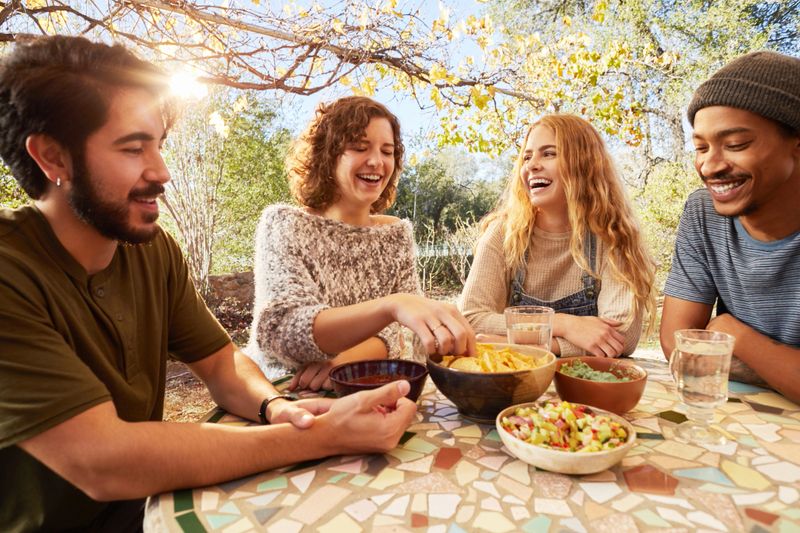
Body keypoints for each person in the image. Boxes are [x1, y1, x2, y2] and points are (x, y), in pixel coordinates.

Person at [0, 36, 418, 532]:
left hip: (150, 505)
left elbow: (221, 363)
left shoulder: (152, 251)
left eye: (158, 145)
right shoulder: (10, 269)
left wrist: (277, 407)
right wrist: (322, 435)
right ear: (53, 158)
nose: (162, 171)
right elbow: (102, 461)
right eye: (133, 148)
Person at [245, 96, 476, 390]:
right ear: (327, 155)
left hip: (372, 387)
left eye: (387, 151)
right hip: (285, 395)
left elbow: (408, 338)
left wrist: (351, 359)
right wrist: (391, 307)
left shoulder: (395, 234)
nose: (377, 162)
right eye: (359, 147)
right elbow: (282, 332)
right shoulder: (284, 225)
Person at [660, 51, 800, 404]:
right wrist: (782, 370)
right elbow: (678, 346)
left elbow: (705, 346)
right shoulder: (703, 213)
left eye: (735, 145)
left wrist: (731, 333)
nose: (710, 165)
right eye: (701, 147)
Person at [460, 114, 656, 358]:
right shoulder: (503, 232)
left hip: (586, 385)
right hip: (517, 381)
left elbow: (620, 337)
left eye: (549, 153)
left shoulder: (615, 237)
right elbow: (471, 318)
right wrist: (565, 324)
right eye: (527, 156)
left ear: (585, 164)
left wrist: (518, 345)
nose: (532, 165)